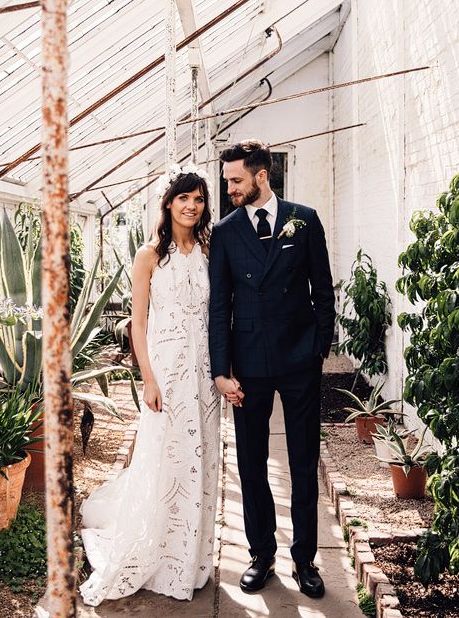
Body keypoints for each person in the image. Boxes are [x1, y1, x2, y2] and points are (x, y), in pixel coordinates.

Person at [80, 166, 235, 606]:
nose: (191, 205)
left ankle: (194, 558)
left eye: (199, 199)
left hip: (203, 373)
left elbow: (218, 314)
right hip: (165, 372)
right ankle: (163, 557)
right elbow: (139, 323)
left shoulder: (209, 250)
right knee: (167, 460)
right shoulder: (149, 255)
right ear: (168, 203)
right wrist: (148, 378)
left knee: (200, 460)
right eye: (184, 197)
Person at [208, 139, 335, 598]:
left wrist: (318, 348)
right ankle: (261, 555)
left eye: (236, 180)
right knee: (251, 464)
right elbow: (219, 306)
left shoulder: (304, 219)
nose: (229, 189)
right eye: (227, 182)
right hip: (249, 367)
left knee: (303, 464)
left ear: (262, 176)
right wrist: (221, 370)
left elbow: (323, 288)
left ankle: (304, 560)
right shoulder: (224, 232)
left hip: (299, 361)